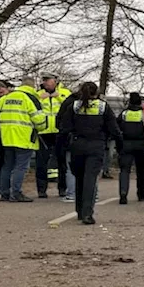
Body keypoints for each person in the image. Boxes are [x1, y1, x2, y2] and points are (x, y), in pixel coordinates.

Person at [57, 82, 120, 225]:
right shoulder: (103, 107)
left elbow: (64, 128)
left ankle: (80, 210)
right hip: (96, 145)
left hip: (77, 145)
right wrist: (119, 145)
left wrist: (61, 146)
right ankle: (87, 213)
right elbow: (114, 129)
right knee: (90, 179)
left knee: (79, 178)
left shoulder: (74, 106)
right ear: (97, 93)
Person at [0, 79, 47, 202]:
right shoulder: (30, 98)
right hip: (24, 137)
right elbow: (38, 119)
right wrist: (42, 127)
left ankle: (5, 193)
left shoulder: (4, 99)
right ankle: (16, 193)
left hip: (7, 137)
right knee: (21, 167)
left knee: (7, 166)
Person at [33, 72, 72, 200]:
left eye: (48, 80)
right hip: (43, 132)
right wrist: (41, 98)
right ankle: (42, 190)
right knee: (41, 162)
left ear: (55, 81)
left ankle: (62, 189)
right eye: (44, 80)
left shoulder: (65, 92)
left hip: (59, 131)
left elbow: (70, 105)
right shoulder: (37, 94)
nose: (45, 82)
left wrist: (58, 96)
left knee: (62, 161)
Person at [116, 92, 144, 204]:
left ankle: (123, 194)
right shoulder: (143, 114)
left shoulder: (124, 113)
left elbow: (117, 127)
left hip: (126, 144)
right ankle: (141, 195)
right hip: (141, 145)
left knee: (125, 170)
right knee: (141, 170)